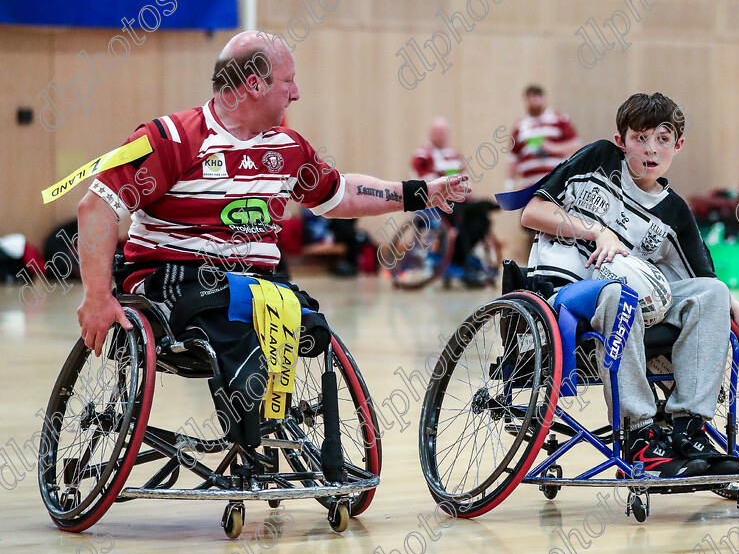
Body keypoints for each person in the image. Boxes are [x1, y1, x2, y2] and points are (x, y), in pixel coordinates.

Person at [75, 30, 469, 464]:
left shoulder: (288, 148)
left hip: (257, 285)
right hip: (176, 283)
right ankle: (254, 436)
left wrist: (419, 193)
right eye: (289, 81)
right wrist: (97, 295)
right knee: (231, 318)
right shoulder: (170, 138)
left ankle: (288, 441)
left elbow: (342, 194)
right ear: (255, 84)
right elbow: (96, 207)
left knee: (311, 325)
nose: (296, 93)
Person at [519, 92, 739, 477]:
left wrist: (736, 307)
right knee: (618, 293)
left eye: (663, 139)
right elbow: (532, 211)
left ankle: (690, 427)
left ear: (678, 145)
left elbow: (702, 279)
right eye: (640, 138)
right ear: (621, 141)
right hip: (562, 296)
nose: (651, 149)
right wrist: (598, 232)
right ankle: (639, 433)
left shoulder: (673, 211)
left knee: (713, 294)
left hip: (627, 306)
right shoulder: (598, 159)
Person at [412, 118, 499, 286]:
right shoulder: (423, 154)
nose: (440, 136)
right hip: (437, 203)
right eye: (437, 132)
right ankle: (464, 263)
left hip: (458, 200)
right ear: (431, 134)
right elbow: (424, 181)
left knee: (482, 219)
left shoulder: (454, 155)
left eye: (443, 132)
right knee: (460, 218)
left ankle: (460, 254)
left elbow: (465, 180)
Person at [508, 85, 581, 191]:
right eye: (530, 98)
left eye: (537, 97)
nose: (534, 102)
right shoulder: (520, 126)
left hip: (555, 182)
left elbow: (575, 146)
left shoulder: (558, 119)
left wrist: (553, 148)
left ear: (543, 98)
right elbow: (513, 158)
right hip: (529, 185)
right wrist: (509, 183)